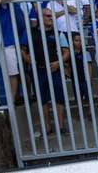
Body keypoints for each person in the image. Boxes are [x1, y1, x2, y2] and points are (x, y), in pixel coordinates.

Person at [22, 7, 70, 136]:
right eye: (48, 16)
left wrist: (58, 63)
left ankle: (60, 127)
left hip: (55, 70)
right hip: (38, 71)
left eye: (52, 16)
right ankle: (48, 128)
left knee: (59, 98)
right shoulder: (30, 32)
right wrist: (27, 58)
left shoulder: (58, 33)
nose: (51, 18)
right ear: (40, 18)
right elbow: (22, 49)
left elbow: (66, 52)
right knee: (42, 99)